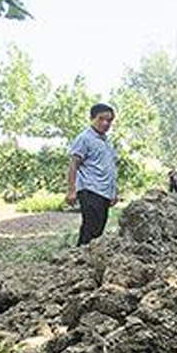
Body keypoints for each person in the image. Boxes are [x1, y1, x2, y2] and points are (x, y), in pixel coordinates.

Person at [66, 103, 118, 246]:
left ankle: (87, 258)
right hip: (90, 189)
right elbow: (73, 164)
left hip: (104, 192)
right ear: (92, 118)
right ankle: (80, 258)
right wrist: (71, 190)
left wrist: (113, 192)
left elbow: (110, 168)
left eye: (109, 120)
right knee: (91, 229)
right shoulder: (84, 138)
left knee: (98, 229)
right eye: (101, 119)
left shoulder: (106, 142)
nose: (105, 123)